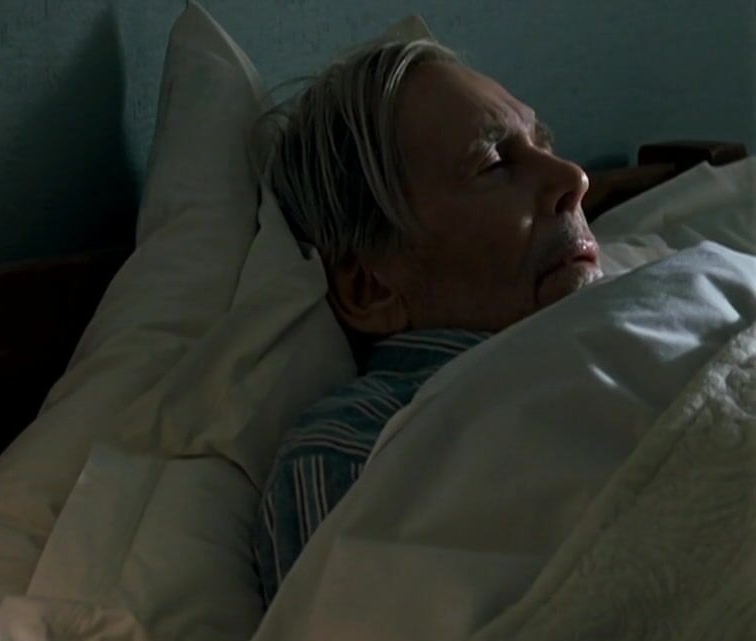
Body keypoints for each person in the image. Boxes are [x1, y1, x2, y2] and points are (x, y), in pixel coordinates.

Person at [254, 37, 604, 604]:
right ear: (371, 287)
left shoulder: (666, 309)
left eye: (544, 144)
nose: (574, 177)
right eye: (493, 163)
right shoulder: (360, 454)